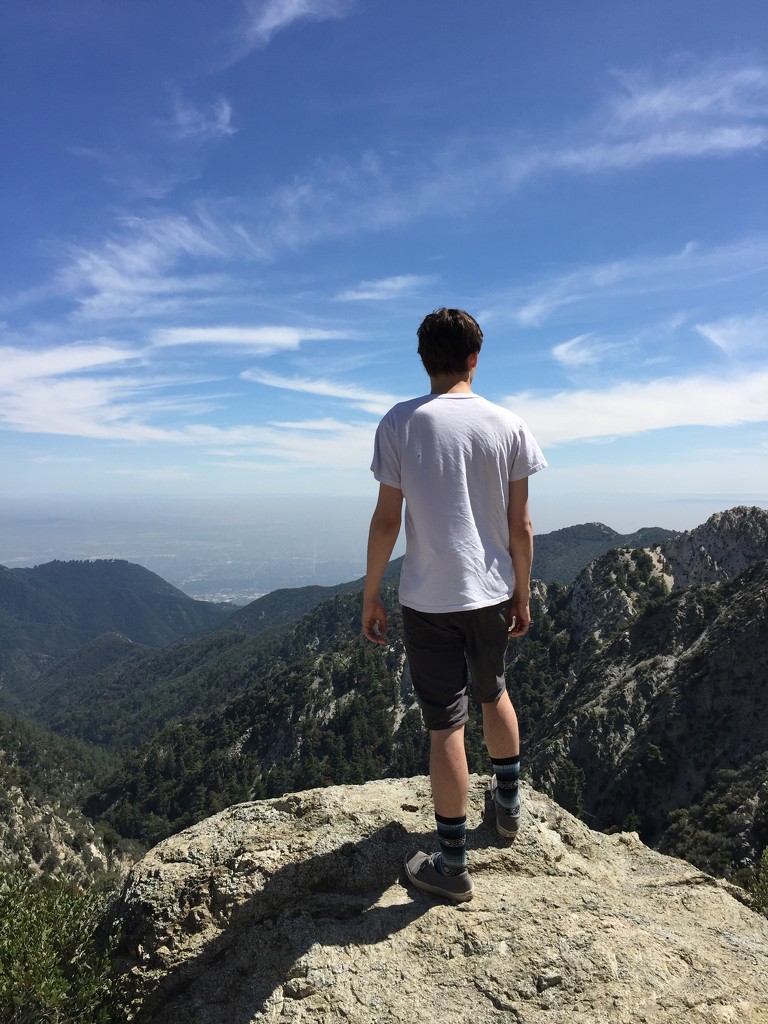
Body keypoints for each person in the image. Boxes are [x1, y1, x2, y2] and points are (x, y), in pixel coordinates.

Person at [361, 307, 547, 902]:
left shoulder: (400, 423)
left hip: (428, 597)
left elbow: (388, 519)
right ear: (474, 358)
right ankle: (509, 807)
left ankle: (451, 864)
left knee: (445, 722)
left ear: (423, 359)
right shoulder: (509, 425)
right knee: (493, 689)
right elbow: (521, 524)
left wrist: (371, 594)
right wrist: (522, 589)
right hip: (491, 591)